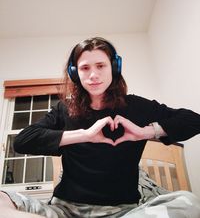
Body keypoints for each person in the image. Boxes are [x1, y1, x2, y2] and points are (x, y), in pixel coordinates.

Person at [1, 36, 200, 218]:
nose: (93, 75)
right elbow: (23, 140)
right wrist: (84, 135)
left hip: (124, 212)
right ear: (74, 73)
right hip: (65, 210)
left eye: (100, 66)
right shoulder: (64, 109)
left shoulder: (137, 106)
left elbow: (193, 120)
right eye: (85, 68)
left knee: (189, 204)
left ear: (114, 67)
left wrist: (143, 132)